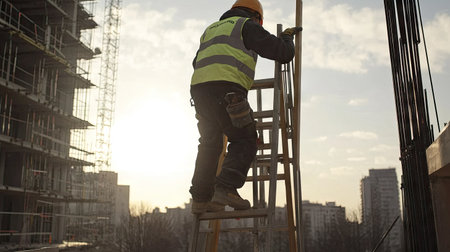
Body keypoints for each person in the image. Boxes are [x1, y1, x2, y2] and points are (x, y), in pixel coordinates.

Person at [189, 0, 300, 214]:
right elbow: (283, 53)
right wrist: (286, 38)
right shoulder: (246, 25)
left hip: (200, 92)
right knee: (245, 138)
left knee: (209, 145)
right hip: (228, 90)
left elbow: (197, 62)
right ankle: (226, 187)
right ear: (257, 17)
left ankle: (200, 199)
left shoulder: (210, 30)